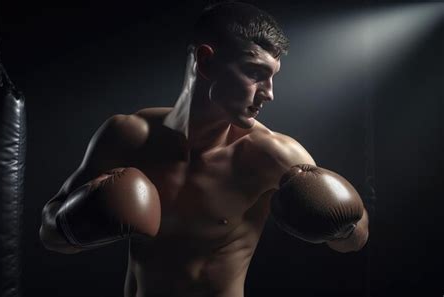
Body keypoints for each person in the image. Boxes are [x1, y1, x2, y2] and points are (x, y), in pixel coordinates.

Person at [39, 2, 369, 297]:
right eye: (255, 74)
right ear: (206, 62)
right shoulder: (128, 136)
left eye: (272, 78)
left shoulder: (272, 154)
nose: (268, 93)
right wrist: (75, 224)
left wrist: (341, 226)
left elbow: (355, 240)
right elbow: (49, 233)